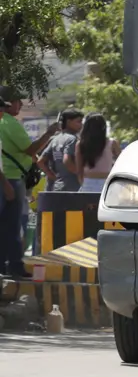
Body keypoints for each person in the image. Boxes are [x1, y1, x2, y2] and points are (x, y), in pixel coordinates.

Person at [0, 85, 58, 278]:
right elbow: (29, 150)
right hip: (10, 179)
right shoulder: (8, 123)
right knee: (12, 225)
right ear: (7, 105)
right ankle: (14, 267)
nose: (20, 104)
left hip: (8, 177)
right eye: (17, 101)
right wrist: (49, 133)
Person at [73, 113, 121, 195]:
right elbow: (122, 162)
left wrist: (82, 182)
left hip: (88, 182)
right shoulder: (112, 143)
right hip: (107, 182)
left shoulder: (81, 144)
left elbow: (79, 168)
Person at [40, 109, 84, 193]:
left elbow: (41, 161)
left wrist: (52, 176)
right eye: (78, 122)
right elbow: (67, 161)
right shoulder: (72, 139)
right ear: (68, 122)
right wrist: (80, 175)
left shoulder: (55, 139)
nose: (81, 125)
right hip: (71, 188)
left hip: (55, 187)